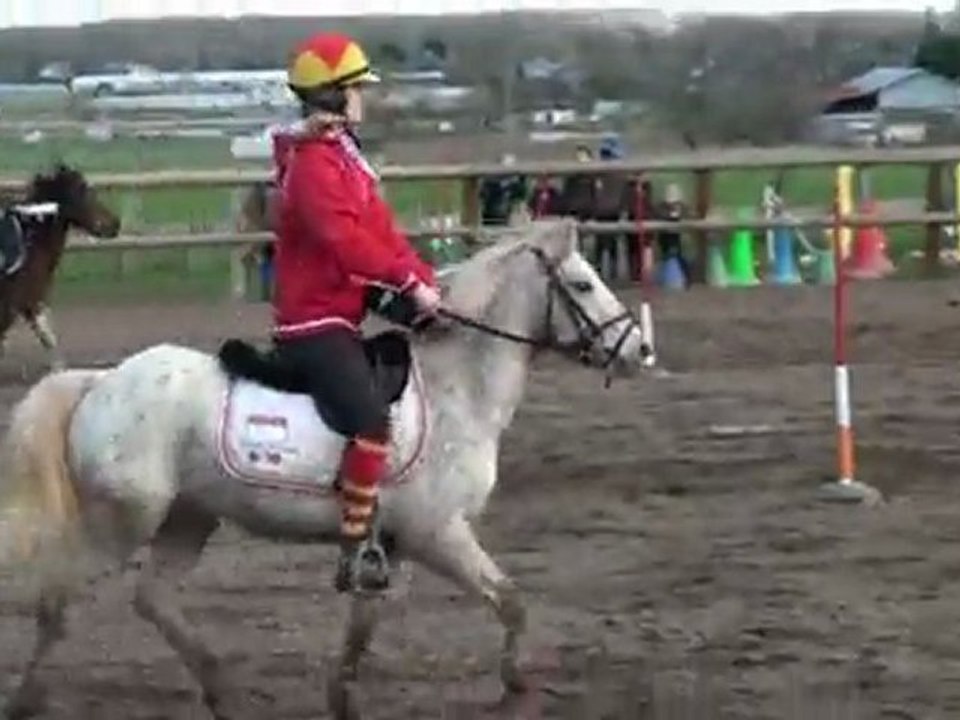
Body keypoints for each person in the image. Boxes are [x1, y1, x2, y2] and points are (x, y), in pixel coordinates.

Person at [275, 31, 441, 593]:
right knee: (373, 421)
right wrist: (404, 281)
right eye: (356, 90)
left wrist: (424, 280)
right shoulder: (314, 167)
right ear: (331, 97)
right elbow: (346, 243)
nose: (364, 99)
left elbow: (383, 234)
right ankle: (355, 547)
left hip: (345, 313)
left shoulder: (344, 159)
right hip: (312, 322)